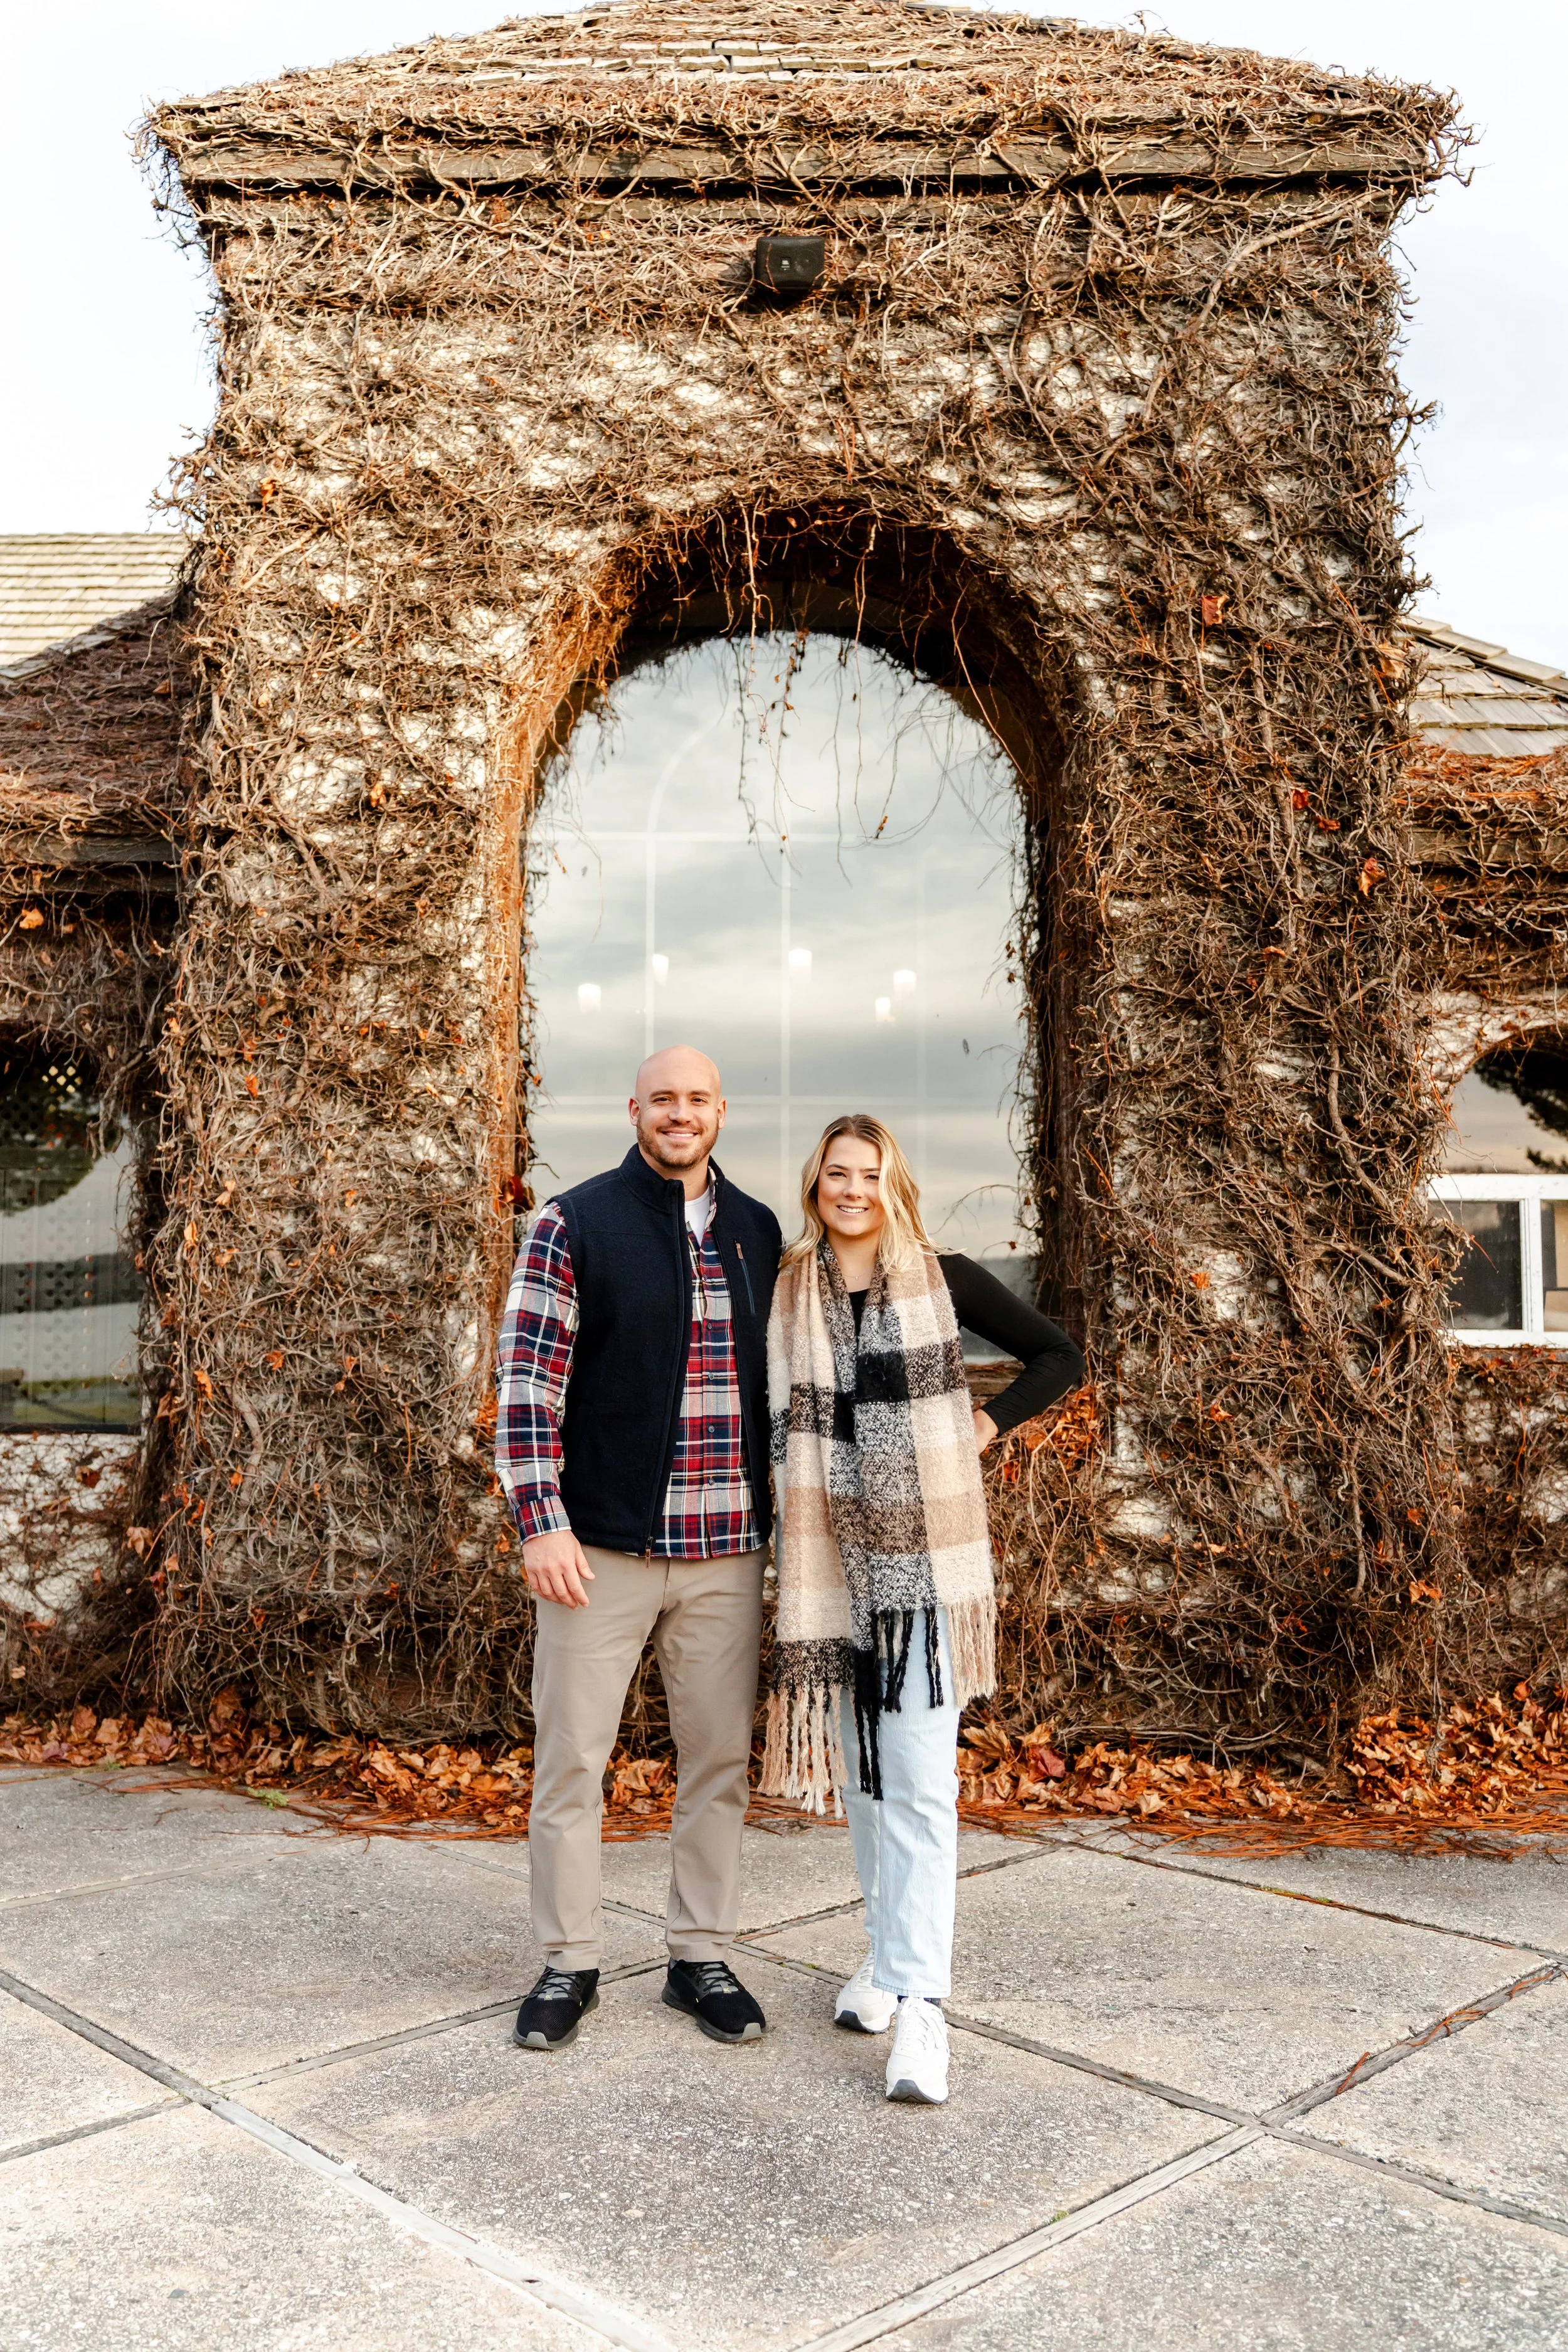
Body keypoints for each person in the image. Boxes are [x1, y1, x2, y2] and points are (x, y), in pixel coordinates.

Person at [761, 1113, 1084, 2104]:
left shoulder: (942, 1276)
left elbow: (1057, 1355)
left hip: (922, 1578)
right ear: (816, 1182)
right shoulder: (787, 1288)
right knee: (863, 1785)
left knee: (921, 1786)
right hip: (829, 1572)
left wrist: (978, 1426)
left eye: (869, 1174)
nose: (850, 1189)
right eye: (836, 1173)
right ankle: (887, 1959)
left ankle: (926, 2009)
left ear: (890, 1184)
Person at [496, 1045, 781, 2051]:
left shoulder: (757, 1230)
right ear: (634, 1109)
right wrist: (542, 1518)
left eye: (698, 1098)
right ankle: (567, 1962)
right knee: (572, 1762)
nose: (680, 1113)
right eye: (663, 1098)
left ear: (720, 1110)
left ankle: (698, 1954)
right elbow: (527, 1386)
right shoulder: (574, 1223)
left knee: (717, 1762)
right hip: (600, 1552)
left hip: (726, 1552)